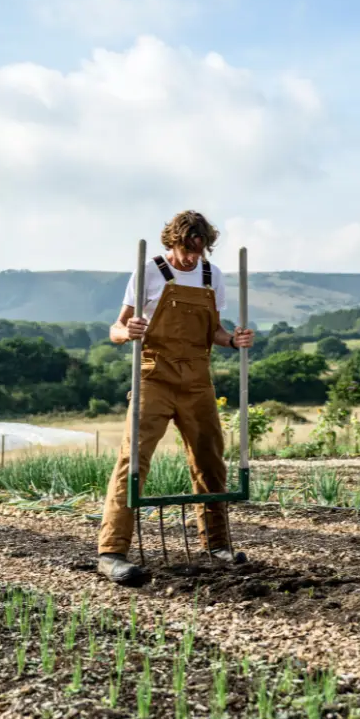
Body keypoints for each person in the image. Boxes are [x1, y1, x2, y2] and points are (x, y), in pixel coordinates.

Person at [97, 210, 254, 585]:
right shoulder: (147, 271)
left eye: (199, 251)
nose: (191, 258)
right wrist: (127, 330)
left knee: (210, 462)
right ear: (173, 242)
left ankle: (217, 545)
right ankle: (112, 552)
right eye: (186, 249)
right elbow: (115, 329)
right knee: (132, 461)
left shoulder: (211, 275)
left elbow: (214, 330)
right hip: (154, 377)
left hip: (198, 381)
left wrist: (233, 340)